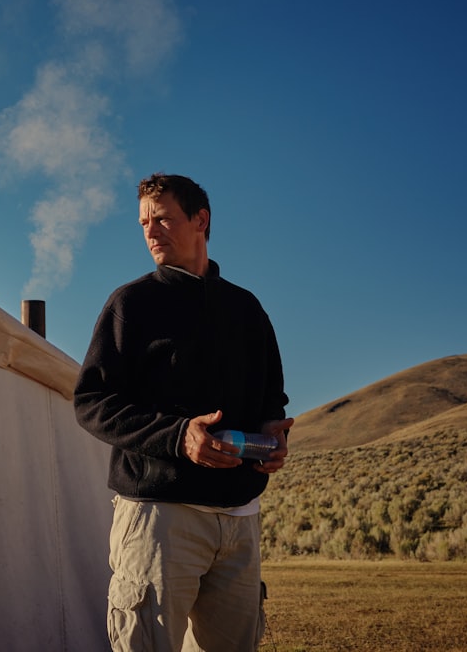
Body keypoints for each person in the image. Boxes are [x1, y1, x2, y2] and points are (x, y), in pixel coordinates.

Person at [73, 173, 294, 651]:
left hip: (239, 519)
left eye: (163, 219)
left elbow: (270, 399)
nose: (151, 231)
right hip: (159, 518)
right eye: (144, 223)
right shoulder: (131, 304)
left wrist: (272, 434)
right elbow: (91, 402)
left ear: (201, 220)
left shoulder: (246, 309)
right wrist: (179, 437)